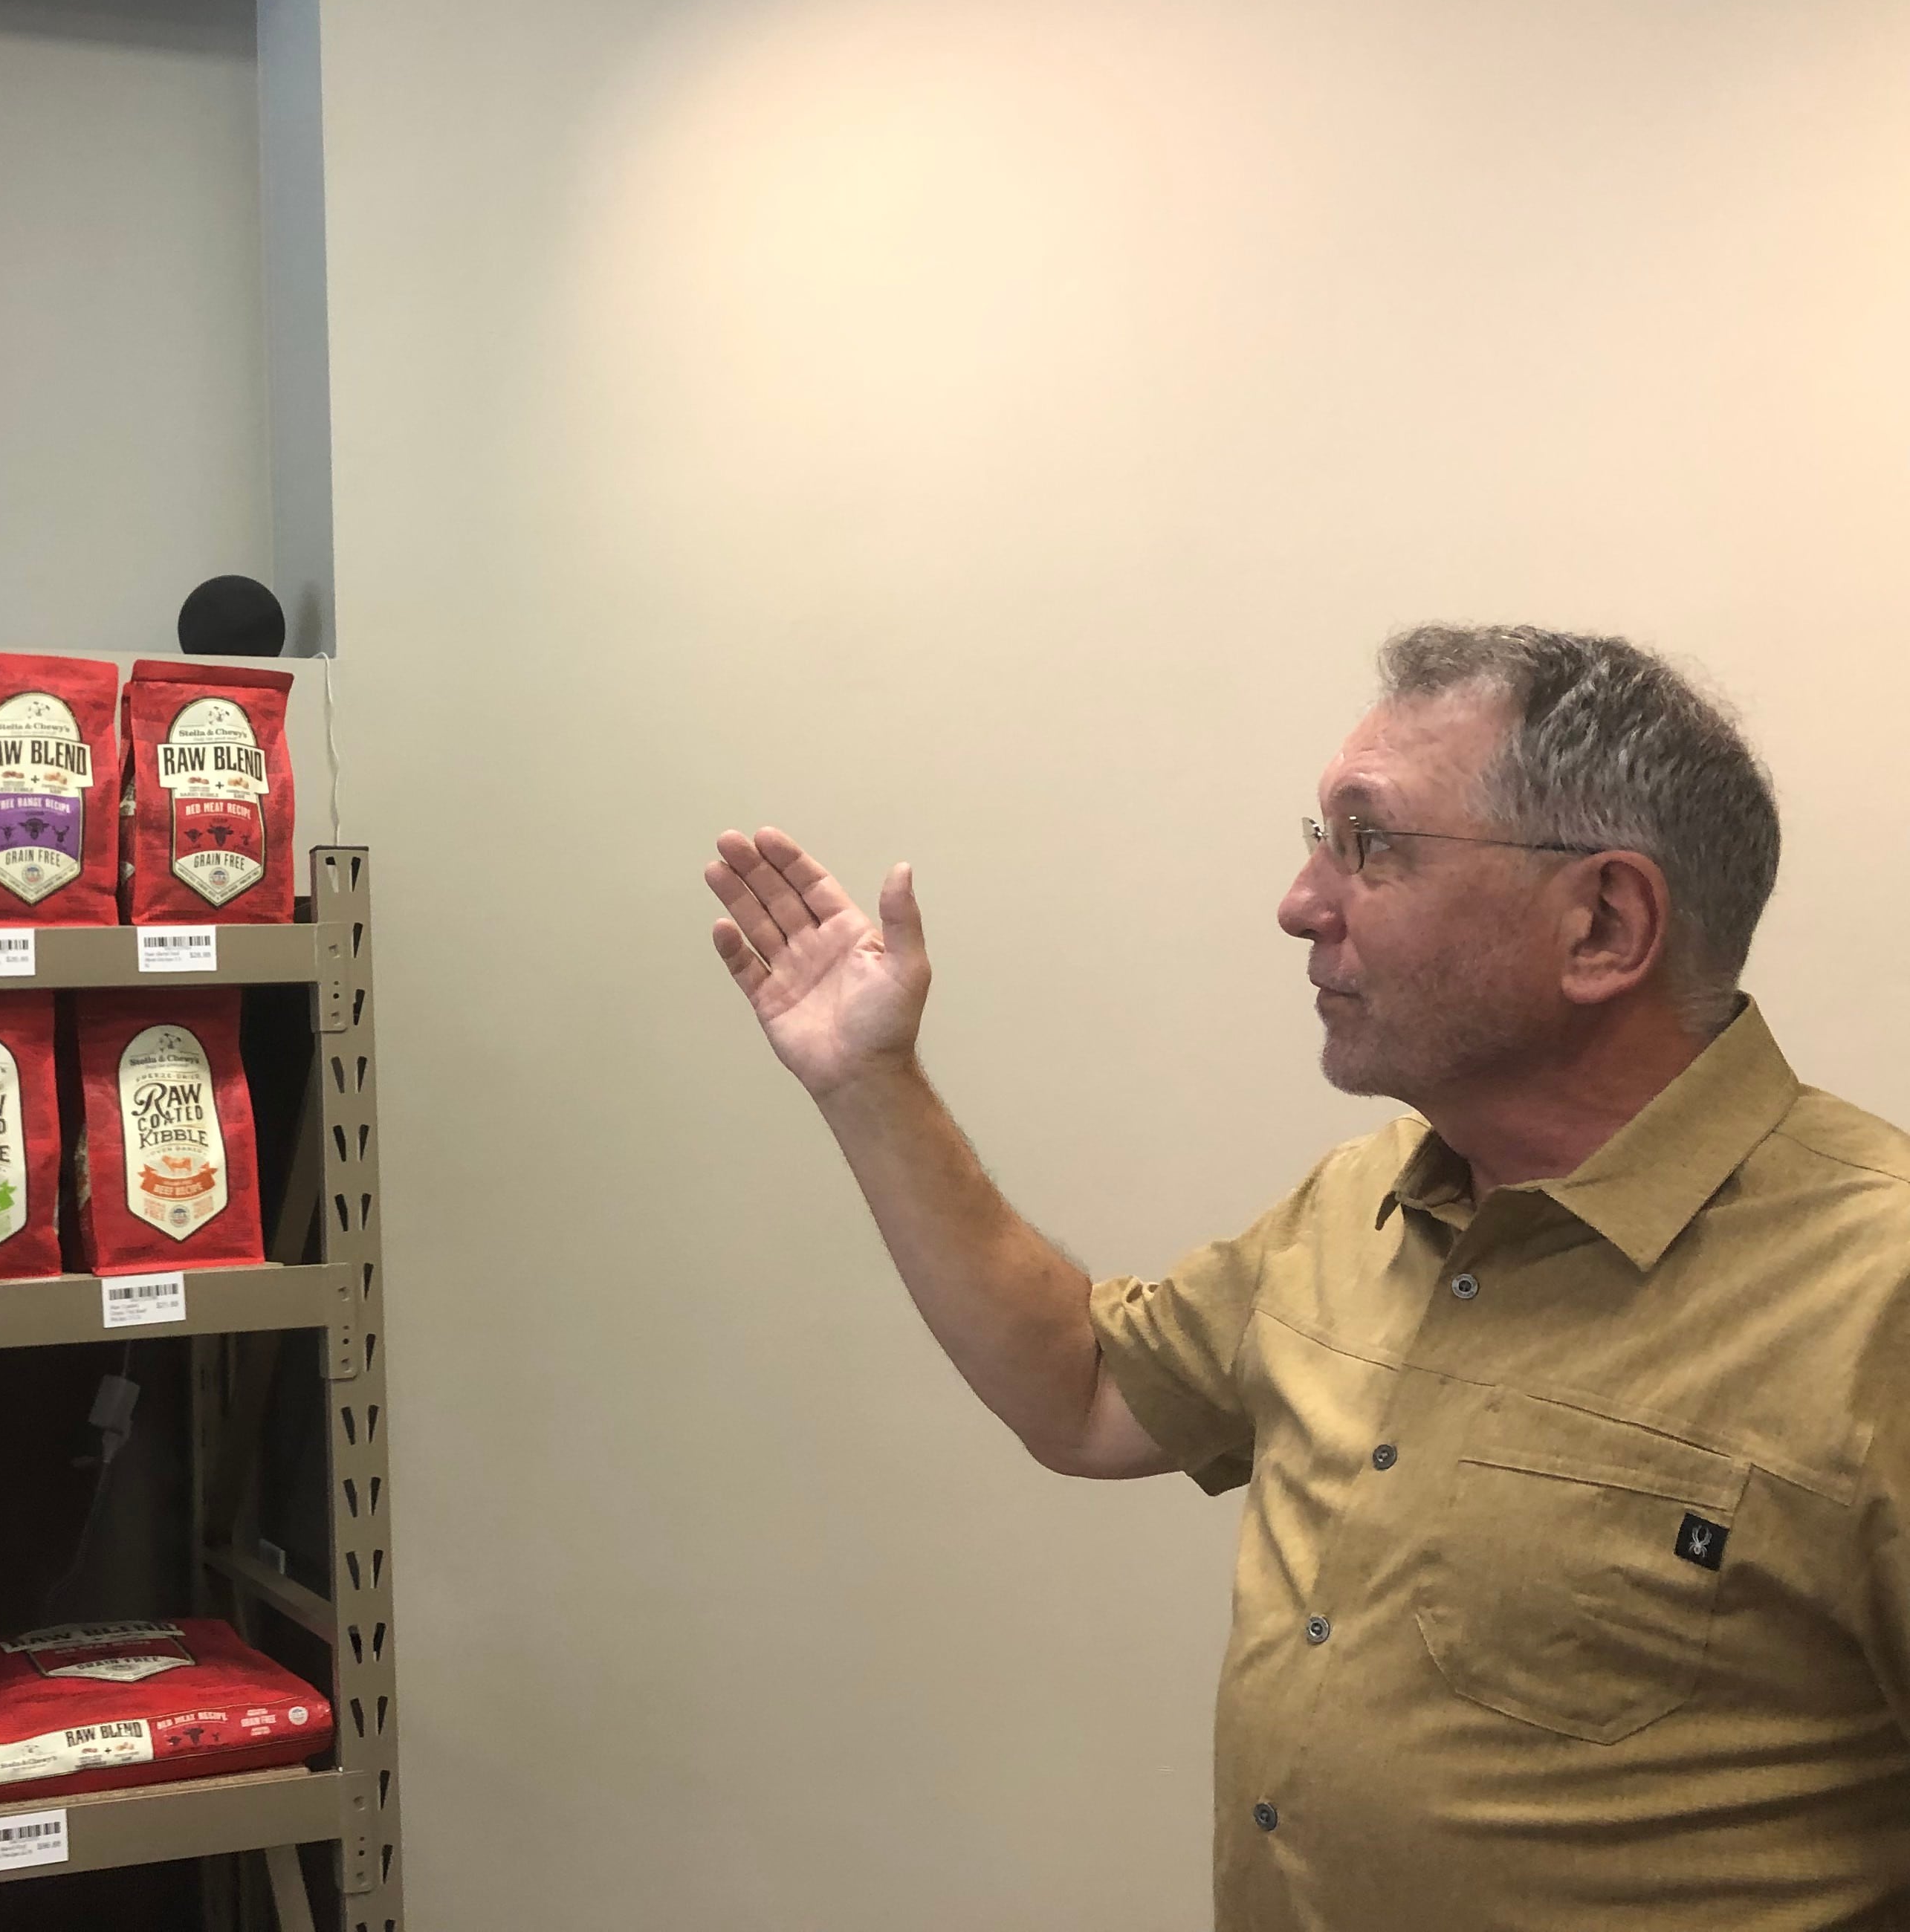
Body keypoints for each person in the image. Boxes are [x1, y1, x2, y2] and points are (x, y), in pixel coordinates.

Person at [706, 625, 1910, 1931]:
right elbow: (1089, 1391)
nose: (1301, 901)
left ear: (1605, 925)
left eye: (1370, 844)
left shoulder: (1875, 1294)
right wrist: (870, 1085)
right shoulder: (1367, 1201)